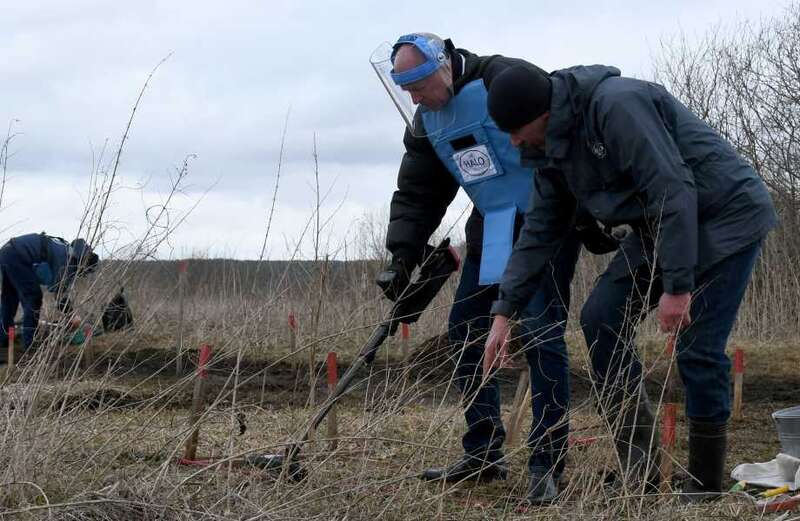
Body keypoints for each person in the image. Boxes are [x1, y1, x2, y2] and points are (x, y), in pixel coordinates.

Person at [483, 64, 778, 501]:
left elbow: (673, 188)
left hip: (725, 217)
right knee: (600, 316)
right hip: (661, 227)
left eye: (516, 129)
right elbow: (539, 231)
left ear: (542, 112)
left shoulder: (616, 105)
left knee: (697, 347)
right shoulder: (550, 149)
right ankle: (639, 474)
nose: (513, 142)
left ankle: (704, 485)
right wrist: (504, 313)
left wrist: (677, 287)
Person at [372, 33, 618, 504]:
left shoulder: (501, 77)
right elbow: (419, 191)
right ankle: (483, 452)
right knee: (465, 329)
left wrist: (595, 210)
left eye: (420, 84)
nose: (415, 97)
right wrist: (402, 252)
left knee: (542, 331)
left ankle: (546, 462)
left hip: (547, 220)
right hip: (493, 225)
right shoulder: (426, 121)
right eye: (406, 89)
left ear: (444, 65)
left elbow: (563, 128)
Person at [0, 232, 99, 353]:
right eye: (84, 271)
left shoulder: (65, 248)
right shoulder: (67, 260)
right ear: (83, 262)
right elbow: (58, 291)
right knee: (34, 297)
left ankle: (3, 339)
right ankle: (30, 345)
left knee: (9, 300)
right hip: (18, 256)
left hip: (7, 251)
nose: (82, 274)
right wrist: (71, 315)